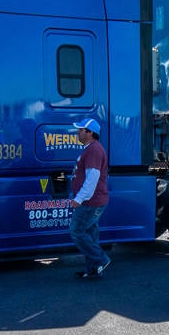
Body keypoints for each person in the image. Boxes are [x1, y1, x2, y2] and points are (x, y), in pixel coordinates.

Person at [68, 118, 110, 278]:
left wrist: (79, 199)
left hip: (90, 202)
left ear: (90, 133)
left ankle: (101, 259)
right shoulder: (91, 148)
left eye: (81, 130)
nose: (78, 132)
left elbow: (92, 178)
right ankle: (93, 269)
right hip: (93, 200)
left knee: (76, 231)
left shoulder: (93, 150)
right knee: (89, 234)